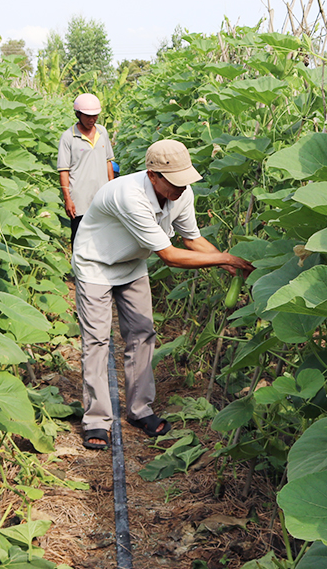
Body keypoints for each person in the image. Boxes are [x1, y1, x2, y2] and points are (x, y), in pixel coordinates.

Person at [71, 139, 253, 451]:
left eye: (185, 180)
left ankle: (140, 410)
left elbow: (192, 240)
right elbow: (170, 255)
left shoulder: (181, 193)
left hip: (131, 264)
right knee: (98, 341)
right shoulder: (130, 195)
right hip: (96, 264)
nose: (182, 188)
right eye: (175, 181)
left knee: (142, 333)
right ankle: (97, 420)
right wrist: (225, 258)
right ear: (153, 175)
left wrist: (231, 263)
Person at [57, 93, 114, 245]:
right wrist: (68, 199)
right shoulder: (68, 137)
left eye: (95, 116)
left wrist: (111, 187)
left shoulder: (102, 132)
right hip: (80, 198)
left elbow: (108, 161)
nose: (92, 119)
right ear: (78, 114)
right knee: (79, 238)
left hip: (101, 195)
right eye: (88, 116)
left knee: (104, 235)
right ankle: (78, 268)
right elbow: (63, 170)